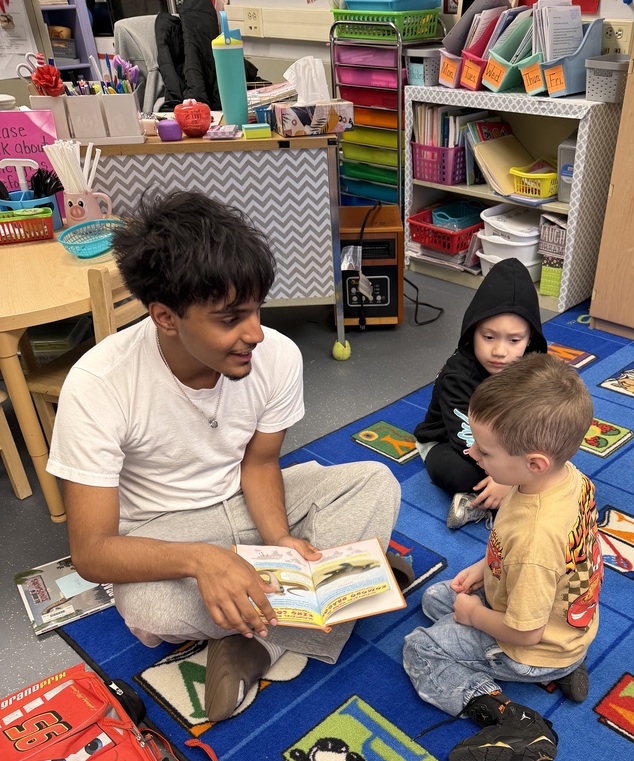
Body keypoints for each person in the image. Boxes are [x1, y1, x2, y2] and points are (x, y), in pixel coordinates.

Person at [47, 190, 401, 722]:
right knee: (149, 609)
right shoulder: (98, 384)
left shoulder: (275, 355)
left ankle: (258, 644)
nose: (254, 334)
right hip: (166, 528)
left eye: (256, 309)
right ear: (166, 317)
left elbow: (259, 464)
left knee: (376, 479)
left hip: (248, 504)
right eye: (230, 318)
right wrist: (201, 559)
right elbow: (93, 552)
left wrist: (281, 540)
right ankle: (336, 589)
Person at [403, 354, 603, 761]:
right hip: (561, 617)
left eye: (486, 451)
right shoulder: (568, 479)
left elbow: (525, 630)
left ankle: (511, 719)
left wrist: (475, 615)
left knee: (421, 648)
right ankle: (564, 668)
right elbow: (554, 560)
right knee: (438, 598)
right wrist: (482, 568)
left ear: (534, 462)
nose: (471, 453)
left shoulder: (534, 539)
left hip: (532, 643)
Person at [413, 258, 547, 530]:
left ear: (530, 338)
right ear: (472, 332)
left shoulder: (532, 366)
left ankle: (495, 497)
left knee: (554, 457)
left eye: (514, 340)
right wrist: (506, 475)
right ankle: (490, 498)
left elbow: (542, 417)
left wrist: (509, 473)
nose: (499, 351)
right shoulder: (458, 377)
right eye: (489, 337)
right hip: (452, 443)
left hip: (508, 442)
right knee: (462, 473)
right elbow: (466, 441)